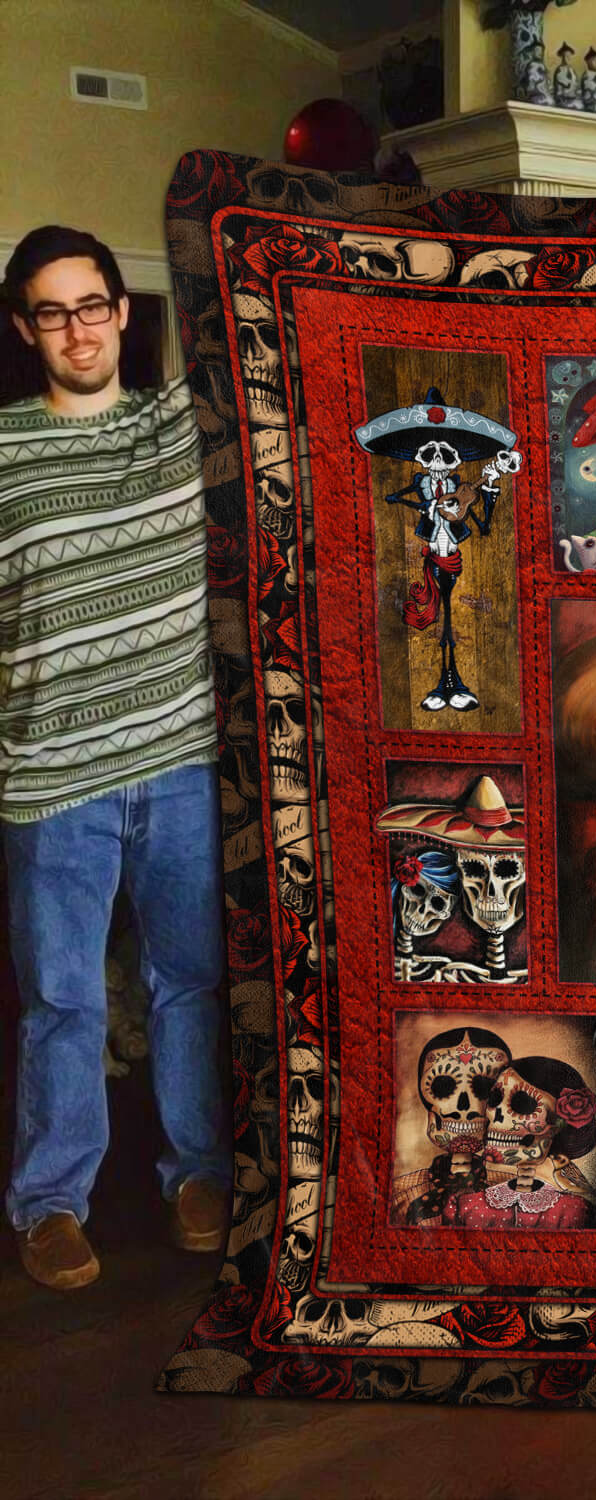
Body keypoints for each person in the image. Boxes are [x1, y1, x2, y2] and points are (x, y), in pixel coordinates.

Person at [2, 226, 231, 1290]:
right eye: (52, 313)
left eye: (92, 305)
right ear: (26, 329)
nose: (78, 330)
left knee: (190, 982)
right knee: (63, 1001)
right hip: (51, 778)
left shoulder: (185, 425)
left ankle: (201, 1175)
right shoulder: (4, 449)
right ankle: (50, 1202)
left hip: (181, 761)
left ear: (123, 311)